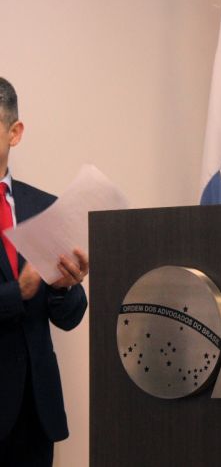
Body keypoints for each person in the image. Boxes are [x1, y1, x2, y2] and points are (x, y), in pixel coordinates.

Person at [0, 77, 89, 467]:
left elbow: (69, 318)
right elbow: (20, 291)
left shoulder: (45, 206)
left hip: (36, 410)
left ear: (15, 132)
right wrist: (16, 292)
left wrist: (64, 288)